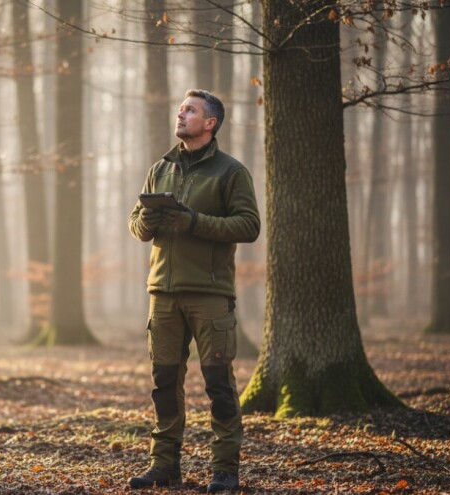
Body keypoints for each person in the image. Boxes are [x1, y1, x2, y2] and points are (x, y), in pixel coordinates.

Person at [127, 89, 260, 493]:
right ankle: (164, 466)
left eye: (190, 110)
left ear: (210, 123)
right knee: (164, 383)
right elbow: (135, 224)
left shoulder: (230, 171)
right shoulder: (160, 168)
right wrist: (146, 221)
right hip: (163, 293)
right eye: (180, 108)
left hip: (209, 293)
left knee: (218, 384)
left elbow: (248, 226)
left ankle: (225, 471)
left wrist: (194, 222)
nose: (181, 114)